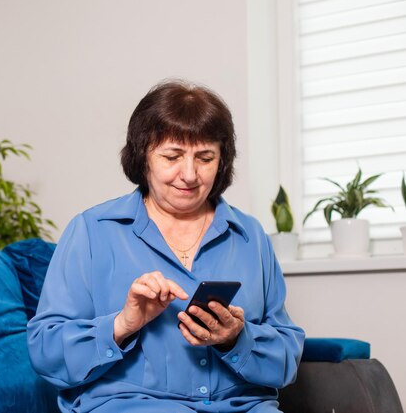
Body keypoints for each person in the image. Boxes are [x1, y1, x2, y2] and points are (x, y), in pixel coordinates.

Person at [27, 80, 305, 413]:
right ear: (143, 156)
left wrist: (236, 339)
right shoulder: (91, 231)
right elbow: (46, 353)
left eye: (205, 158)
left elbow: (287, 360)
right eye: (172, 156)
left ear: (222, 161)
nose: (189, 174)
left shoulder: (250, 236)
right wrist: (122, 325)